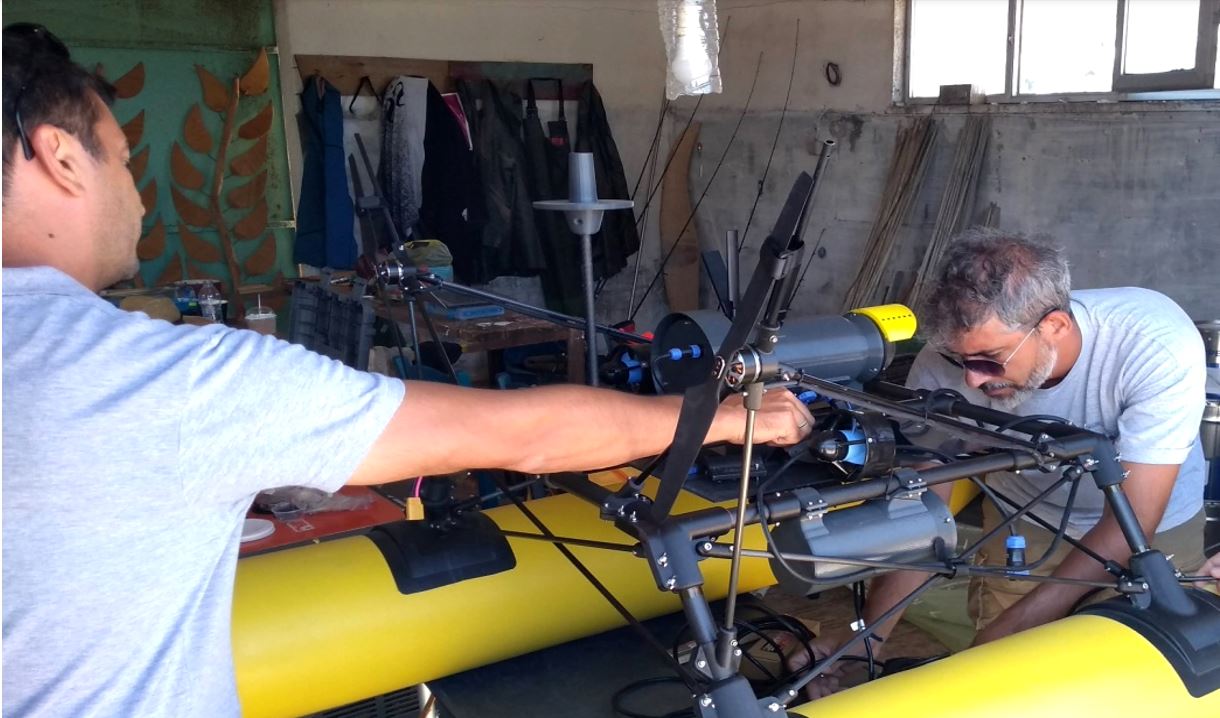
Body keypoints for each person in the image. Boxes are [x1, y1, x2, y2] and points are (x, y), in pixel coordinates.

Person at [0, 24, 814, 717]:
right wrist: (731, 417)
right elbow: (525, 436)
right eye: (123, 160)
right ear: (60, 157)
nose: (140, 195)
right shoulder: (160, 379)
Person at [792, 229, 1207, 697]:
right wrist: (867, 639)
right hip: (1025, 523)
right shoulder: (941, 366)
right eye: (959, 359)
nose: (971, 379)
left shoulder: (1152, 343)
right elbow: (925, 510)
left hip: (1153, 532)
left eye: (989, 360)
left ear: (1055, 326)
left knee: (1131, 681)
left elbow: (1133, 519)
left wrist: (1007, 631)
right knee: (1007, 684)